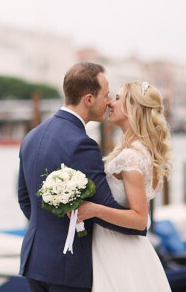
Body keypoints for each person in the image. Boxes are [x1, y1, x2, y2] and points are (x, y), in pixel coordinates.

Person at [17, 62, 146, 292]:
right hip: (68, 266)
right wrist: (136, 226)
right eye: (105, 95)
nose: (108, 102)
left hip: (34, 260)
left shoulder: (31, 137)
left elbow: (25, 200)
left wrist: (52, 228)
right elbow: (103, 208)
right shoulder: (82, 145)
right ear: (88, 99)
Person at [75, 80, 173, 291]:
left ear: (133, 107)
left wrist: (93, 210)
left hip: (118, 250)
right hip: (127, 249)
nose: (110, 103)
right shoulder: (141, 151)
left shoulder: (131, 156)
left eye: (117, 98)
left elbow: (139, 219)